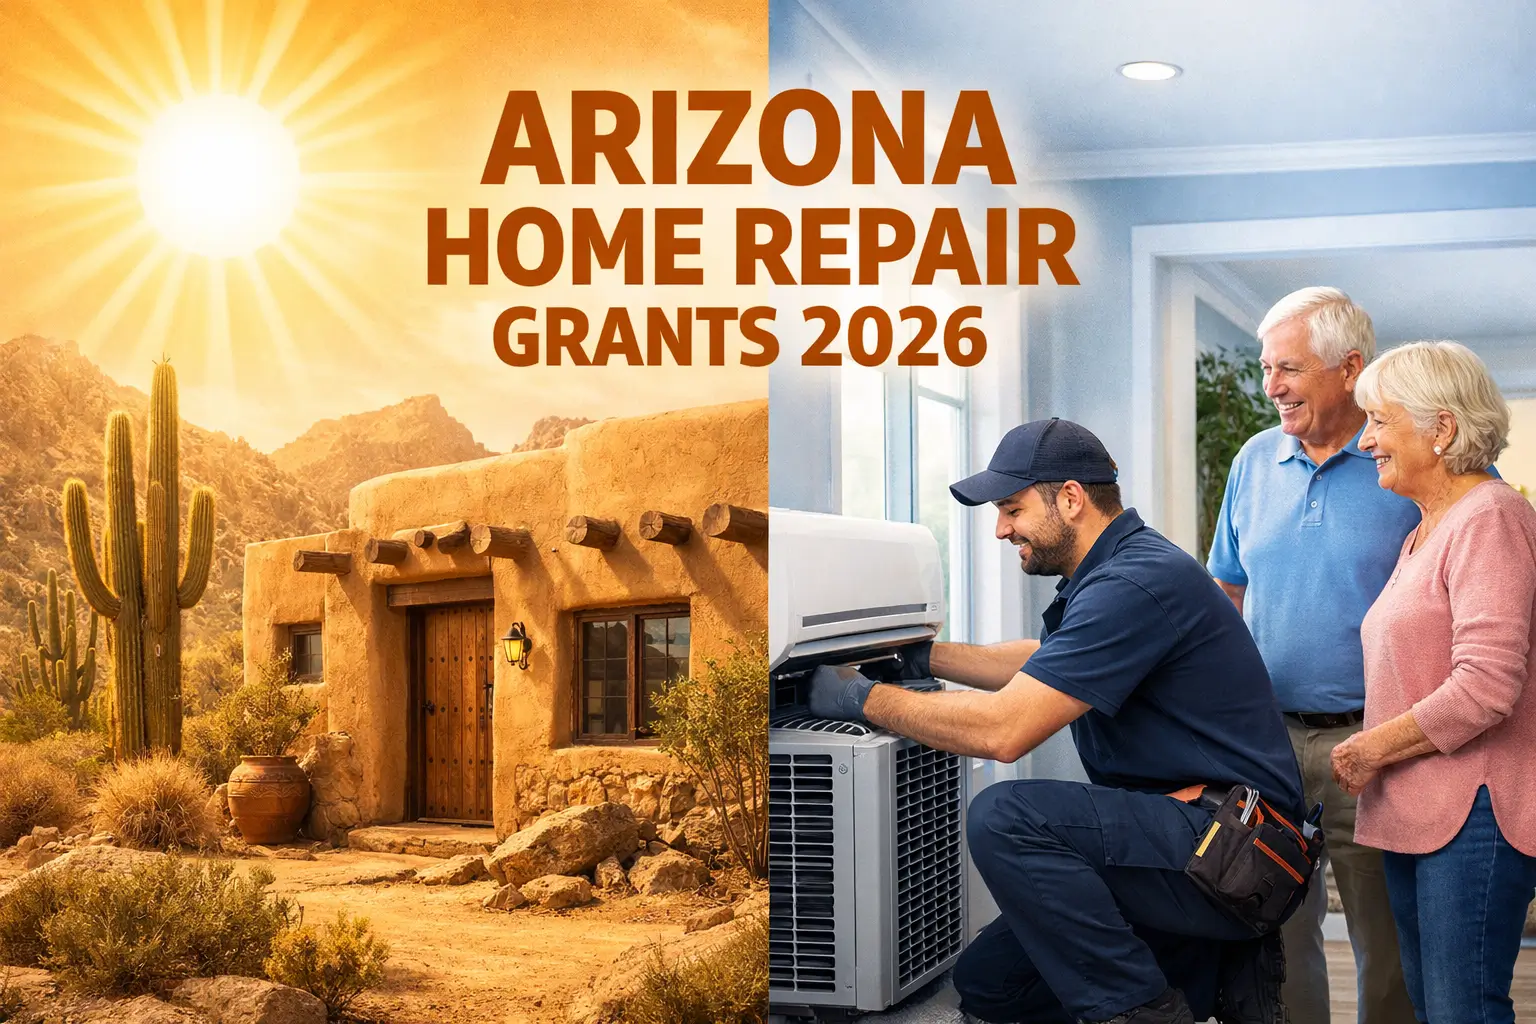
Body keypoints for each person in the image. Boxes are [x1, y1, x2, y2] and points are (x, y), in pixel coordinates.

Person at [805, 417, 1305, 1024]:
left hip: (1233, 848)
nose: (1000, 529)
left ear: (1070, 499)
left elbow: (1003, 731)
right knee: (991, 983)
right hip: (1199, 833)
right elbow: (1045, 663)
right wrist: (918, 657)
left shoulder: (1134, 582)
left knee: (1006, 817)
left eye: (1011, 509)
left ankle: (1148, 1013)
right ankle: (1208, 965)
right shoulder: (1111, 572)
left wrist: (861, 700)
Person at [1206, 287, 1417, 1024]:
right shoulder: (1254, 461)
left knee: (1387, 943)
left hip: (1378, 740)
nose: (1271, 387)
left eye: (1288, 368)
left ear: (1350, 368)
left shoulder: (1409, 460)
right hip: (1267, 743)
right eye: (1267, 368)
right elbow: (1225, 595)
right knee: (1275, 934)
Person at [1329, 341, 1536, 1024]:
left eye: (1381, 422)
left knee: (1462, 1011)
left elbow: (1487, 684)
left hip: (1472, 812)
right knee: (1434, 1008)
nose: (1366, 441)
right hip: (1417, 812)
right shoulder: (1426, 529)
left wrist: (1371, 747)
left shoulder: (1492, 519)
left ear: (1442, 429)